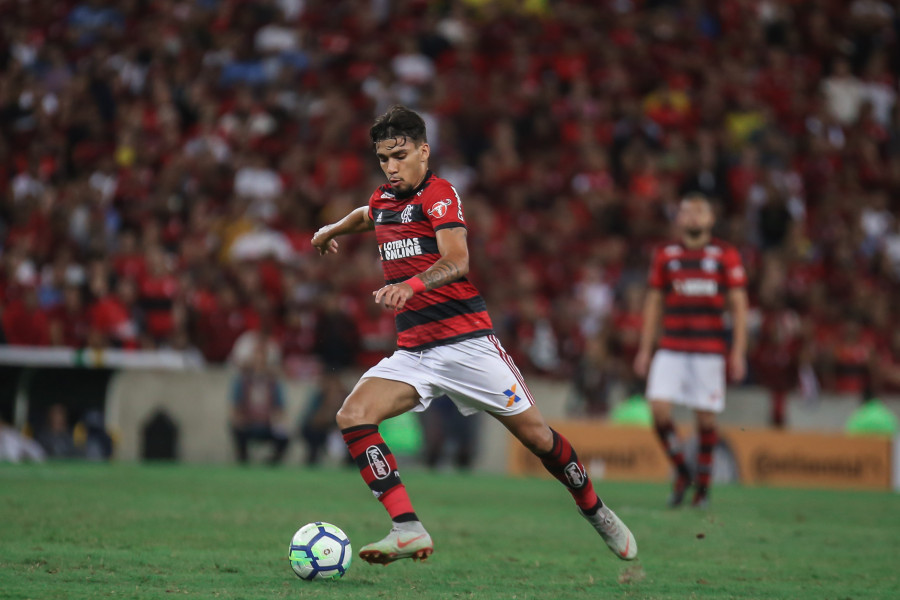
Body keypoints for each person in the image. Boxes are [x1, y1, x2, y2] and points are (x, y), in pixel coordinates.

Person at [311, 106, 636, 565]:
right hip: (415, 352)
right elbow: (370, 215)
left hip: (467, 346)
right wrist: (333, 228)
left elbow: (458, 260)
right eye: (384, 158)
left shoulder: (440, 194)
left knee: (540, 440)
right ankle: (407, 527)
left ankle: (595, 510)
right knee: (353, 415)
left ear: (423, 151)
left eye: (400, 155)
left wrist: (410, 285)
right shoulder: (385, 199)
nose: (391, 166)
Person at [633, 192, 748, 509]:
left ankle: (703, 491)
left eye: (701, 210)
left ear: (711, 219)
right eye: (687, 211)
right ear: (679, 219)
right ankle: (684, 473)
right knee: (658, 411)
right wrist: (645, 349)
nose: (694, 216)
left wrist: (737, 352)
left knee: (706, 421)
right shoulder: (666, 255)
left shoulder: (725, 255)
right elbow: (654, 302)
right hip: (671, 346)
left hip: (709, 349)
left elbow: (739, 306)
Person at [230, 343, 290, 465]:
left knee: (285, 437)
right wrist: (239, 417)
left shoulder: (273, 383)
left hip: (267, 424)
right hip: (248, 423)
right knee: (236, 428)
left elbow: (280, 407)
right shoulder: (242, 381)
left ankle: (271, 463)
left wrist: (276, 419)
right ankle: (243, 461)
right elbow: (235, 404)